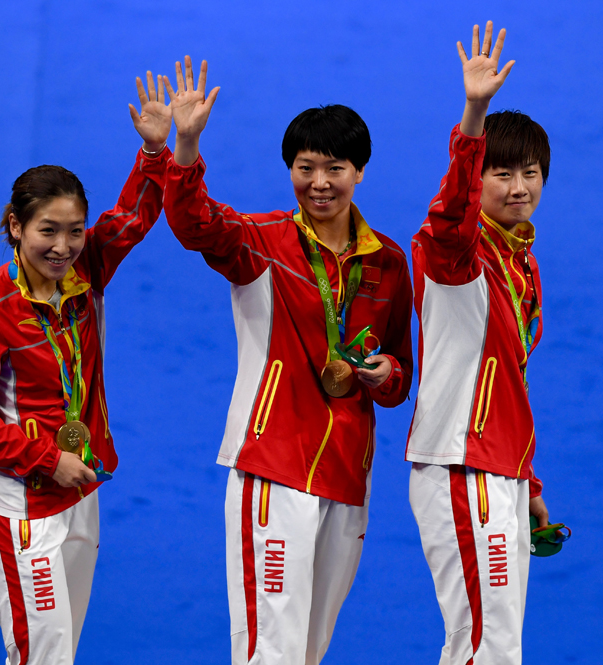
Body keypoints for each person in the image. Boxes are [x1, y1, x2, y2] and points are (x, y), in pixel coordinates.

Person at [161, 56, 414, 664]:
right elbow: (195, 225)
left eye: (335, 168)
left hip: (349, 471)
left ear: (360, 172)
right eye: (305, 168)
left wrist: (384, 376)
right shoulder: (263, 241)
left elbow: (400, 373)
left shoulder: (387, 264)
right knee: (268, 647)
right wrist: (187, 146)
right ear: (290, 170)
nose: (320, 182)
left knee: (308, 649)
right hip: (275, 463)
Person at [0, 72, 172, 665]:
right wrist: (49, 459)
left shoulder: (84, 271)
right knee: (41, 658)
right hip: (23, 504)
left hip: (80, 491)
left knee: (61, 653)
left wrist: (153, 152)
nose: (63, 246)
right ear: (16, 228)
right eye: (48, 231)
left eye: (74, 231)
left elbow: (133, 219)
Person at [405, 22, 552, 665]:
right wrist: (474, 113)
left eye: (530, 172)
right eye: (501, 173)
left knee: (499, 647)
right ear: (478, 179)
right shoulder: (454, 250)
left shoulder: (522, 261)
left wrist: (529, 479)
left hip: (501, 468)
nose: (518, 186)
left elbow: (504, 378)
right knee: (483, 647)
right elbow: (448, 212)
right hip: (461, 463)